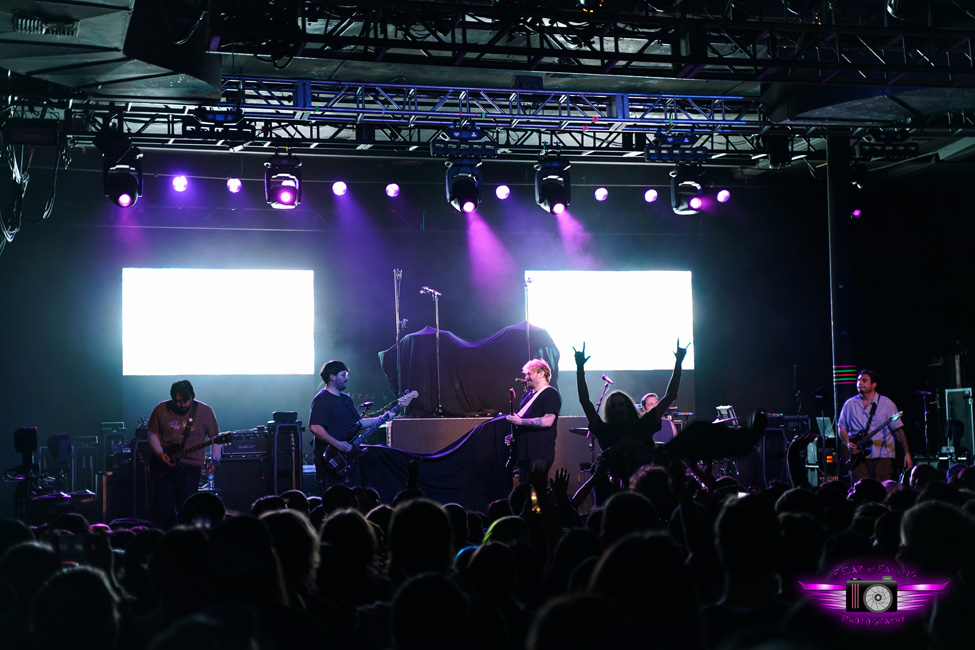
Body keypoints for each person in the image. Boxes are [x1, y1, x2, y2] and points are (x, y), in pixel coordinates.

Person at [575, 341, 687, 486]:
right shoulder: (605, 430)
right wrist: (579, 368)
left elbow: (670, 396)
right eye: (614, 406)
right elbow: (585, 401)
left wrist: (678, 362)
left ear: (628, 406)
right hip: (622, 486)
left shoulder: (643, 424)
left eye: (621, 405)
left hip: (651, 484)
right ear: (609, 410)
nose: (618, 408)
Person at [309, 360, 397, 492]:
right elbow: (315, 427)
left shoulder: (346, 399)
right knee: (334, 496)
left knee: (354, 493)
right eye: (343, 375)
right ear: (332, 377)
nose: (347, 378)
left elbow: (359, 423)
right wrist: (339, 444)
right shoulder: (322, 399)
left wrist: (383, 418)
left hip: (348, 457)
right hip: (330, 459)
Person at [147, 380, 222, 528]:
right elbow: (153, 434)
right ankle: (172, 531)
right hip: (165, 465)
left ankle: (184, 535)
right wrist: (159, 453)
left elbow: (215, 438)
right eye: (178, 401)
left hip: (190, 466)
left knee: (186, 506)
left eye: (185, 400)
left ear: (192, 396)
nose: (182, 404)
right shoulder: (161, 409)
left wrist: (215, 460)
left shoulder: (205, 411)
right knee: (163, 506)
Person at [838, 369, 912, 482]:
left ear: (874, 385)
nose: (860, 383)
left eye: (864, 380)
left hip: (881, 457)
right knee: (860, 490)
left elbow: (898, 431)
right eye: (858, 380)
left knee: (881, 490)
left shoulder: (887, 404)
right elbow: (841, 427)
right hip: (857, 459)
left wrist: (906, 453)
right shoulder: (849, 404)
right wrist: (848, 443)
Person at [506, 359, 562, 482]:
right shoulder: (526, 397)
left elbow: (548, 421)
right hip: (523, 454)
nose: (526, 377)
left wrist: (520, 422)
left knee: (536, 493)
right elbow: (525, 423)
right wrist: (514, 435)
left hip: (539, 454)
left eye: (529, 374)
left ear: (541, 374)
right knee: (526, 494)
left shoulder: (550, 394)